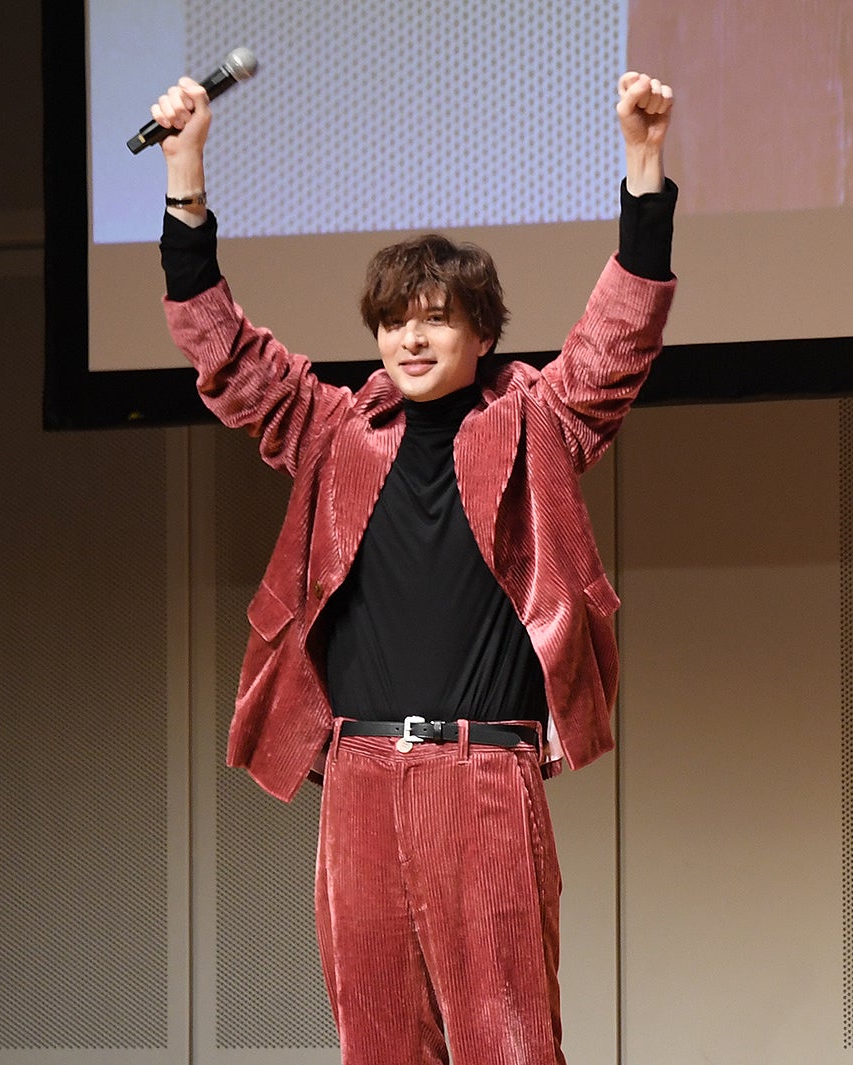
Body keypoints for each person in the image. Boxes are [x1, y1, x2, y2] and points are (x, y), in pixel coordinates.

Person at [149, 70, 676, 1064]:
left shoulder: (536, 419)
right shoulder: (333, 431)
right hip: (357, 775)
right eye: (395, 321)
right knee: (377, 1041)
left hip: (483, 772)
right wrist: (186, 176)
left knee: (507, 1040)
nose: (411, 337)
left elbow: (618, 341)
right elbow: (224, 352)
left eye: (435, 318)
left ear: (483, 332)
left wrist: (643, 165)